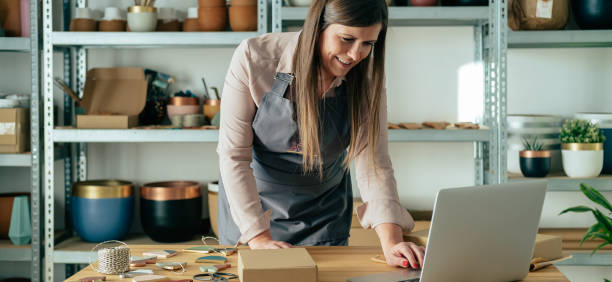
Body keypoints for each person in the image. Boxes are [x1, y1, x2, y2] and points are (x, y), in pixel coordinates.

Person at [216, 0, 425, 269]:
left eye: (368, 44)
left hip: (323, 212)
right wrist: (258, 237)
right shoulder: (255, 57)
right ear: (318, 27)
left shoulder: (368, 75)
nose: (355, 55)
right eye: (347, 39)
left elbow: (373, 160)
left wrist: (392, 242)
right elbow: (233, 156)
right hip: (255, 206)